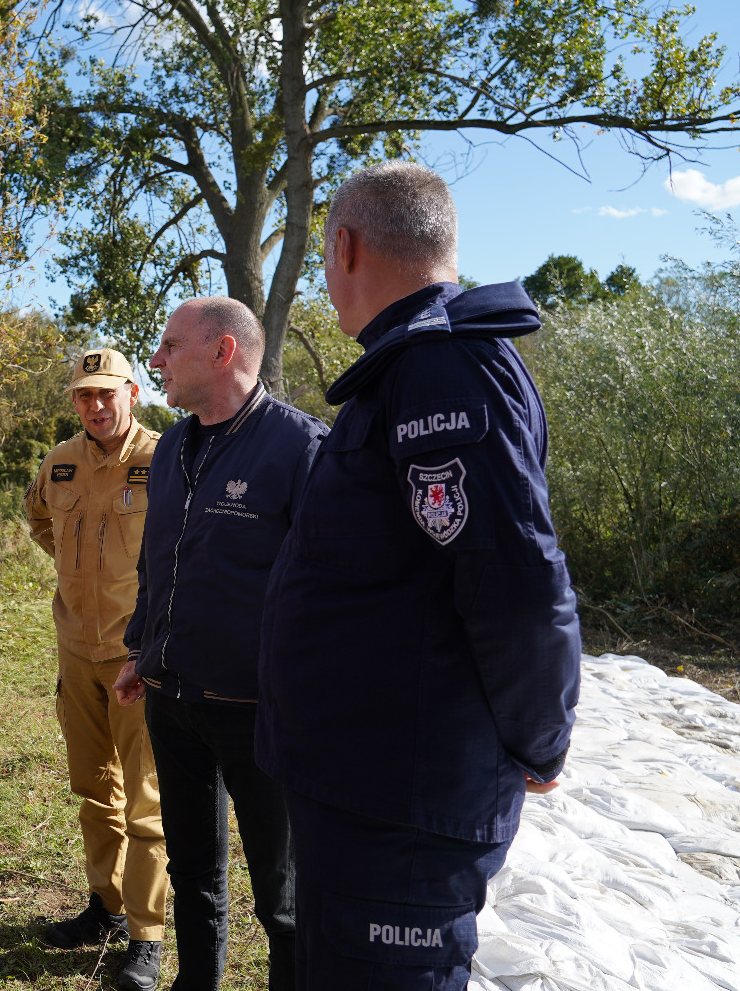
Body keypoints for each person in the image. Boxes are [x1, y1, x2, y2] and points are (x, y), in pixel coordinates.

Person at [257, 162, 580, 990]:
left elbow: (513, 581)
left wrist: (541, 741)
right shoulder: (404, 369)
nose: (329, 280)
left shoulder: (442, 368)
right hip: (366, 787)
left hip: (400, 803)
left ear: (345, 245)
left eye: (329, 261)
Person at [113, 299, 324, 991]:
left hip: (261, 712)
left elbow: (332, 586)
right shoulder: (172, 446)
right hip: (172, 700)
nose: (157, 359)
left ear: (222, 351)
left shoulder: (300, 449)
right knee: (193, 871)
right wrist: (141, 648)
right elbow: (157, 561)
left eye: (171, 346)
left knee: (281, 893)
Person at [23, 349, 167, 990]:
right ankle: (105, 904)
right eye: (85, 396)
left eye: (107, 393)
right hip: (75, 652)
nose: (96, 406)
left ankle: (147, 934)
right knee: (93, 789)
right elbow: (39, 522)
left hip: (138, 660)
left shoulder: (167, 459)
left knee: (146, 800)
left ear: (132, 393)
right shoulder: (58, 462)